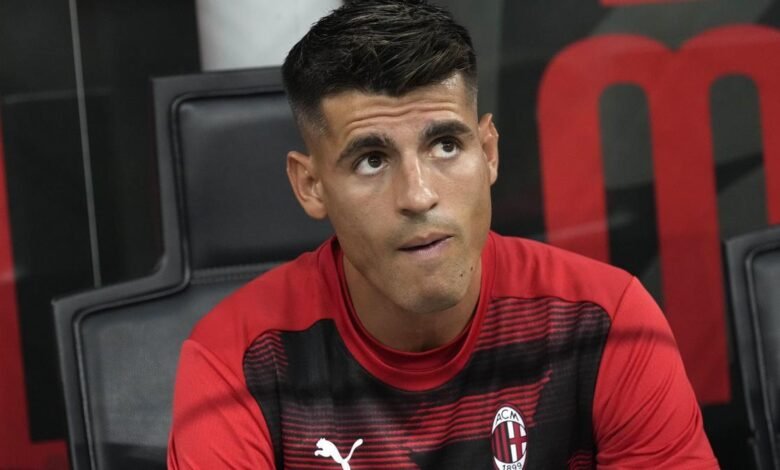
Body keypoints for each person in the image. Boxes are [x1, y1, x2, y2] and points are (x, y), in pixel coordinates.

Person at [167, 1, 718, 468]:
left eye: (446, 146)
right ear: (311, 185)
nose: (419, 195)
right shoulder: (237, 361)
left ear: (490, 153)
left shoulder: (605, 321)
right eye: (371, 160)